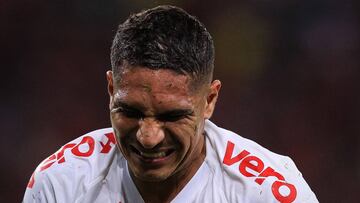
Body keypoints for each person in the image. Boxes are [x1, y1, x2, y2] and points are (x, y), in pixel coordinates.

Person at [23, 5, 318, 203]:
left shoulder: (268, 194)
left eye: (172, 116)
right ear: (111, 89)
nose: (148, 137)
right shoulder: (62, 185)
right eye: (131, 112)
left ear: (209, 101)